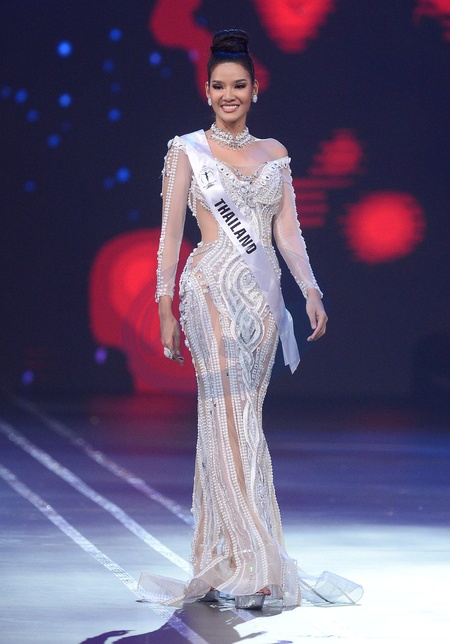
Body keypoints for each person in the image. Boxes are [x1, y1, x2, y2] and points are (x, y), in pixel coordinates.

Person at [139, 29, 363, 609]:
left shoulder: (275, 154)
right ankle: (256, 564)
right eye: (219, 86)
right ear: (206, 90)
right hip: (209, 290)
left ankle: (221, 558)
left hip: (262, 302)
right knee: (228, 420)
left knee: (240, 422)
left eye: (239, 85)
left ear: (255, 90)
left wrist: (310, 290)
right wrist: (163, 306)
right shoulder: (186, 151)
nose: (229, 95)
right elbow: (169, 237)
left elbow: (287, 232)